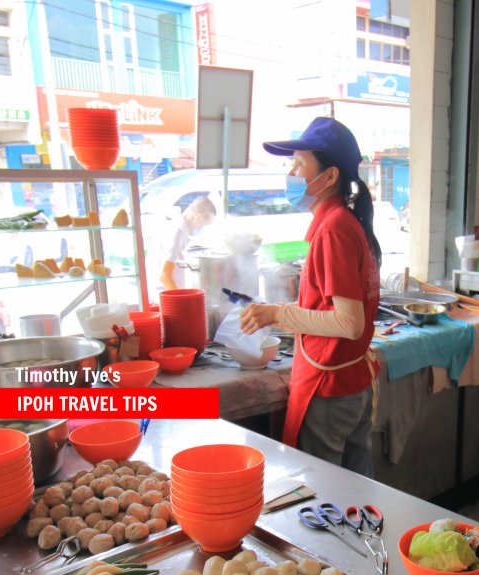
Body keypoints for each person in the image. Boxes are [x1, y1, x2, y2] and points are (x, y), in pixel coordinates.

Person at [239, 117, 381, 475]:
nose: (291, 172)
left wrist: (277, 314)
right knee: (356, 492)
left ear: (329, 176)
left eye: (299, 163)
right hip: (350, 382)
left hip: (330, 388)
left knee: (323, 496)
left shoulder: (334, 228)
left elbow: (349, 323)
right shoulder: (344, 221)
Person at [159, 196, 217, 292]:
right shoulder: (177, 231)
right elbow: (165, 275)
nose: (201, 228)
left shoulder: (183, 230)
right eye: (204, 224)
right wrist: (179, 303)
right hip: (166, 298)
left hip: (173, 293)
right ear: (198, 217)